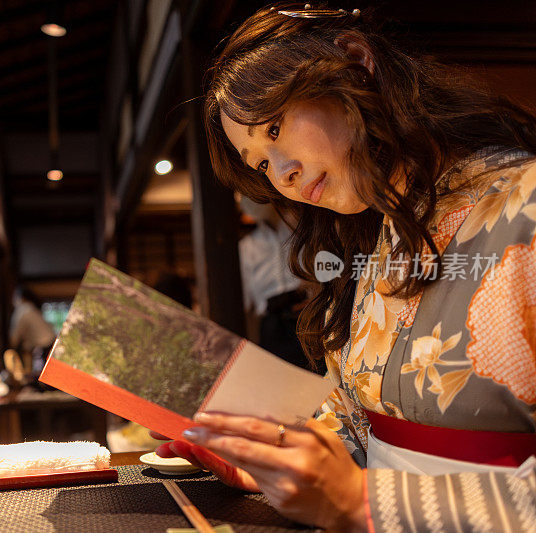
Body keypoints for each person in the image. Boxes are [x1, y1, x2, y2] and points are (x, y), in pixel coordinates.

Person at [153, 4, 536, 531]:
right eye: (260, 164)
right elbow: (357, 425)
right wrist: (271, 461)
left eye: (275, 126)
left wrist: (361, 500)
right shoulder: (378, 236)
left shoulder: (526, 204)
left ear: (355, 61)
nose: (281, 175)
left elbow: (361, 489)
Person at [238, 196, 313, 371]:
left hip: (307, 310)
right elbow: (243, 300)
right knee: (279, 375)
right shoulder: (248, 247)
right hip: (273, 321)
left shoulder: (302, 230)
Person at [9, 287, 56, 378]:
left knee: (45, 375)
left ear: (20, 297)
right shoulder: (31, 308)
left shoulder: (23, 309)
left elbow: (15, 335)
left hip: (44, 343)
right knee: (47, 374)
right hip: (50, 340)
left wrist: (11, 347)